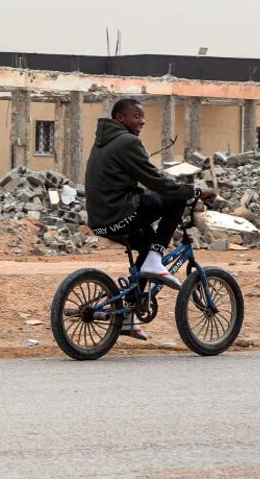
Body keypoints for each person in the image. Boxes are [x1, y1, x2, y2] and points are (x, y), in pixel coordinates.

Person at [85, 98, 215, 340]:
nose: (142, 121)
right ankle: (156, 259)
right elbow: (156, 181)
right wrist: (193, 191)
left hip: (101, 220)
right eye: (137, 116)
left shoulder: (103, 143)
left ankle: (127, 316)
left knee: (146, 239)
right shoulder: (127, 142)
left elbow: (128, 179)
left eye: (143, 116)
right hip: (120, 214)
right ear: (120, 118)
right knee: (174, 199)